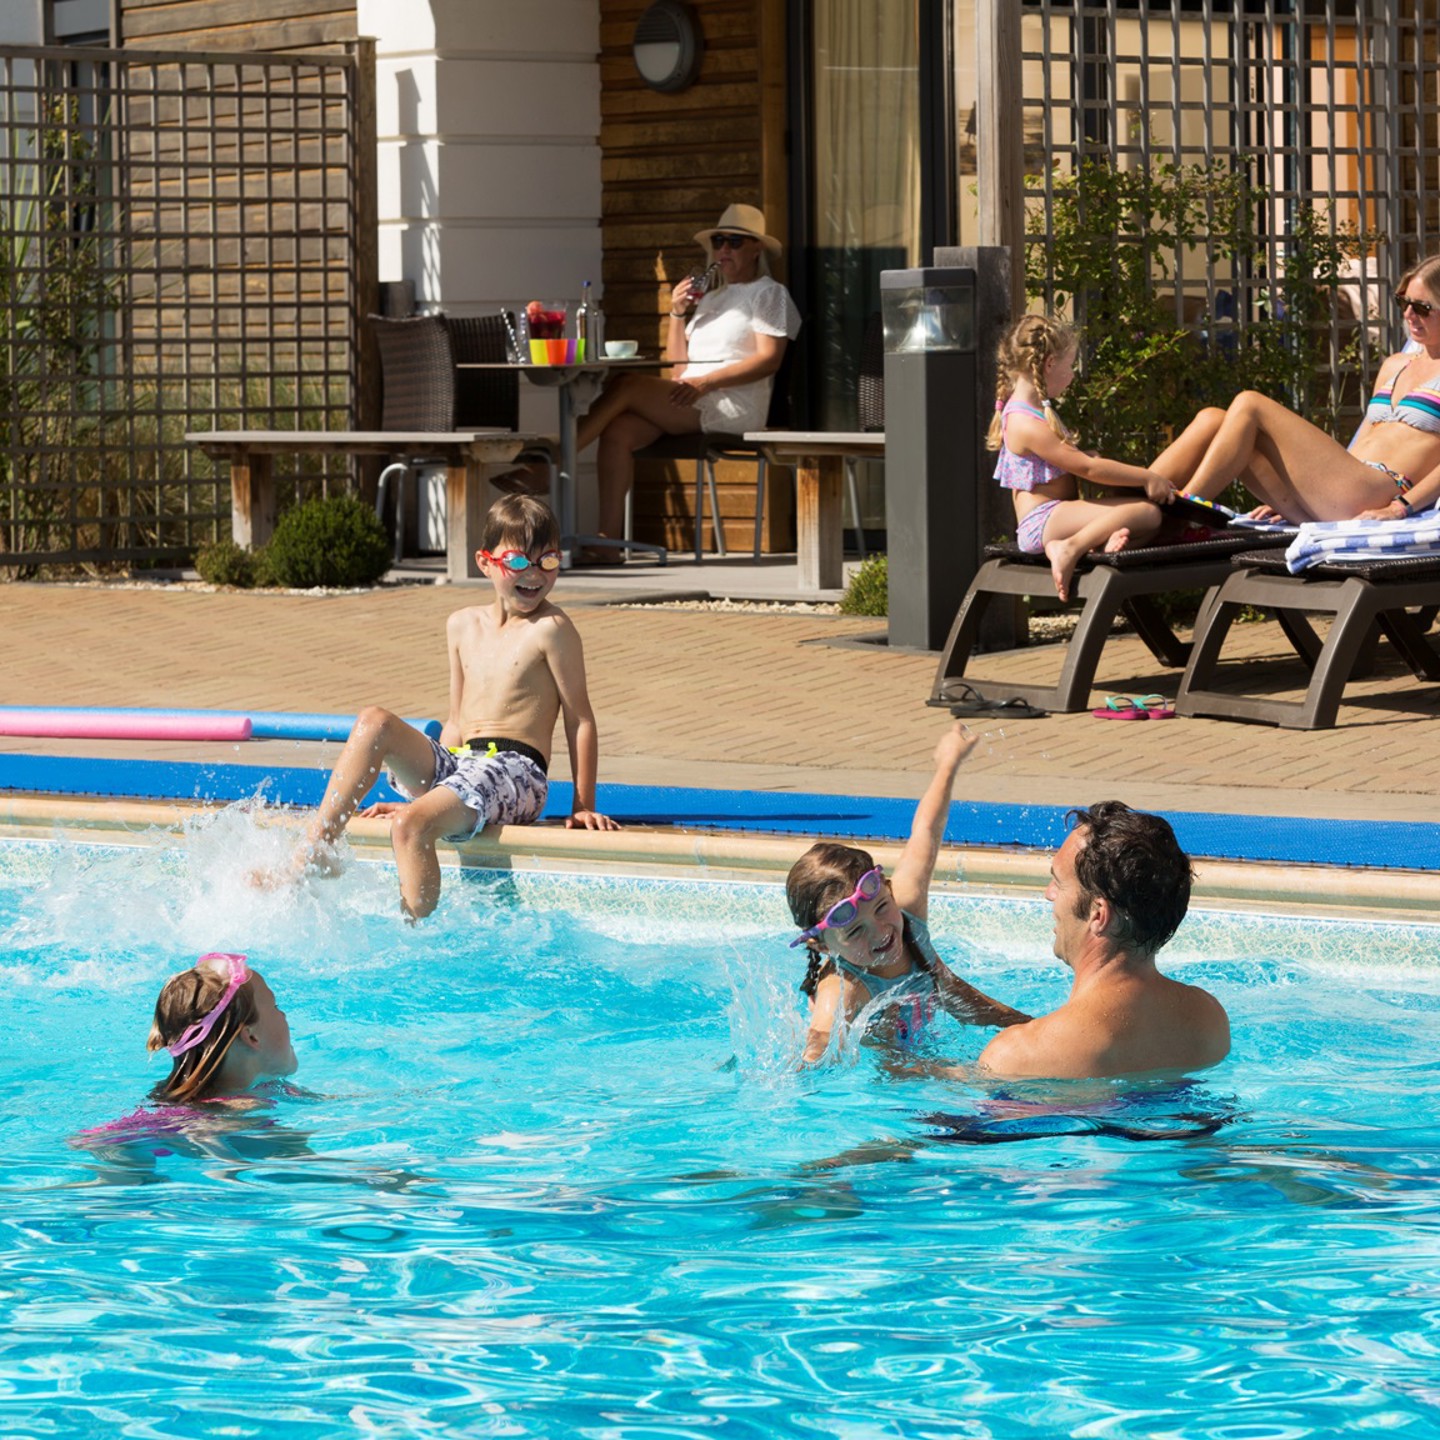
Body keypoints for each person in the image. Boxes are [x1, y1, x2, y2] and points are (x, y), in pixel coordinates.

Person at [258, 495, 618, 918]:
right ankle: (313, 854)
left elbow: (580, 718)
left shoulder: (552, 630)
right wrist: (427, 794)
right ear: (485, 563)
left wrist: (583, 805)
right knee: (374, 721)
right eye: (519, 563)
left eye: (549, 561)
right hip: (467, 765)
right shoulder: (462, 625)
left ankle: (414, 938)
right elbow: (455, 721)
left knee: (409, 827)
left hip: (517, 772)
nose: (534, 575)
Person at [567, 203, 801, 563]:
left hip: (733, 403)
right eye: (719, 242)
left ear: (757, 249)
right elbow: (679, 368)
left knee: (626, 384)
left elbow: (769, 360)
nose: (723, 250)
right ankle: (606, 542)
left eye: (735, 242)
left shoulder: (768, 294)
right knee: (619, 430)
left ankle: (555, 461)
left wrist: (708, 382)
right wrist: (677, 313)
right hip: (691, 394)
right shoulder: (713, 297)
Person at [786, 722, 1030, 1066]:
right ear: (823, 945)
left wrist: (948, 762)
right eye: (855, 931)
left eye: (882, 908)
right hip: (889, 1073)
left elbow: (926, 831)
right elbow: (820, 1038)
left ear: (886, 890)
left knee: (1036, 1034)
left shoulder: (907, 907)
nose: (881, 930)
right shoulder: (845, 988)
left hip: (948, 993)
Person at [977, 802, 1230, 1081]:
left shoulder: (1015, 1056)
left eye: (1059, 883)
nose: (1049, 894)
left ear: (1098, 914)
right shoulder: (1208, 1021)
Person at [1181, 253, 1440, 523]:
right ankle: (1155, 506)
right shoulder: (1395, 365)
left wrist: (1400, 507)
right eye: (1403, 302)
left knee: (1250, 404)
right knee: (1216, 420)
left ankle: (1181, 514)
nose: (1409, 314)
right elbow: (1363, 438)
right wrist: (1306, 490)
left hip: (1377, 491)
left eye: (1421, 307)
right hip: (1341, 489)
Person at [990, 314, 1227, 601]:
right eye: (1070, 366)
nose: (1073, 374)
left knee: (1138, 522)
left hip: (1058, 516)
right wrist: (1148, 476)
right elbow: (1088, 469)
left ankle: (1089, 543)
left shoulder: (1031, 408)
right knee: (1148, 513)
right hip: (1044, 521)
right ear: (1049, 364)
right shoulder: (1025, 422)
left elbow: (1066, 462)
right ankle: (1071, 547)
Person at [147, 951, 297, 1102]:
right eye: (275, 1007)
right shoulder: (238, 1117)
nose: (284, 1015)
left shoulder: (265, 1087)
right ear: (251, 1036)